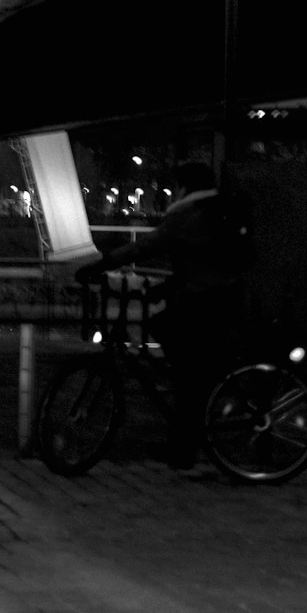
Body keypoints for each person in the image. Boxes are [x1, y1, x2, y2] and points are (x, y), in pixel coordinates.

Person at [77, 160, 249, 467]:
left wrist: (100, 264)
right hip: (222, 297)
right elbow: (201, 260)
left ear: (184, 188)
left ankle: (184, 446)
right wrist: (166, 288)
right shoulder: (213, 210)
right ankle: (184, 441)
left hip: (204, 303)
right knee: (184, 365)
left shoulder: (187, 215)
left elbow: (144, 247)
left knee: (185, 370)